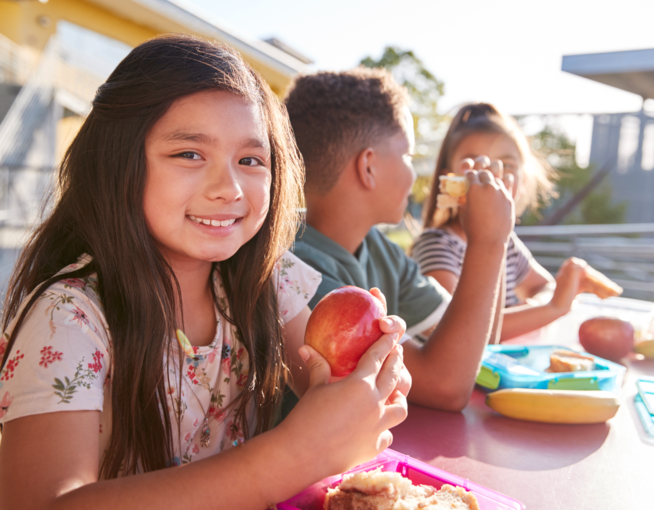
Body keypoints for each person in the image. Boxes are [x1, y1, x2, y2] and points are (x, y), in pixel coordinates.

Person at [0, 36, 410, 510]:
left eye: (251, 160)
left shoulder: (266, 281)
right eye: (190, 154)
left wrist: (371, 375)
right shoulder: (68, 320)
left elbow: (328, 387)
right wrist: (291, 455)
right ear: (118, 163)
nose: (229, 187)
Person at [285, 68, 514, 412]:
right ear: (369, 167)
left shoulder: (379, 249)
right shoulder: (296, 266)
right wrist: (488, 242)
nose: (414, 172)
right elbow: (446, 386)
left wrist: (494, 232)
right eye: (408, 155)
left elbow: (479, 340)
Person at [413, 102, 605, 342]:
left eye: (507, 166)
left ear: (523, 180)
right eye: (474, 167)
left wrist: (526, 312)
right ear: (449, 178)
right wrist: (552, 309)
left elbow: (543, 288)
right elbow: (457, 333)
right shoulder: (438, 245)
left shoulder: (509, 244)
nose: (491, 178)